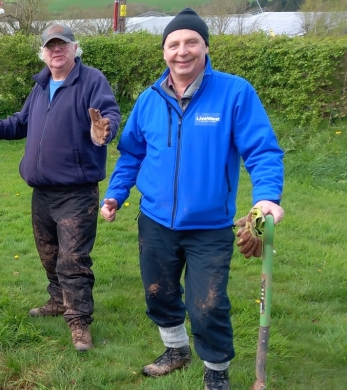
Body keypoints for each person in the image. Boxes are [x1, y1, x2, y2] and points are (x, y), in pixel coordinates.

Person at [99, 8, 284, 390]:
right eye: (173, 44)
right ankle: (176, 350)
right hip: (154, 221)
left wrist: (266, 197)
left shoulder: (234, 93)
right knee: (159, 294)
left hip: (210, 225)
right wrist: (116, 195)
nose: (182, 51)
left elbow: (262, 151)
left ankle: (216, 371)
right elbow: (132, 153)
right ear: (164, 51)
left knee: (208, 305)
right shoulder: (150, 100)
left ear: (205, 46)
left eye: (191, 42)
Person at [0, 24, 120, 351]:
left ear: (74, 48)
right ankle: (58, 301)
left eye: (62, 45)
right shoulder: (41, 87)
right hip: (42, 192)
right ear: (43, 52)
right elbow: (19, 124)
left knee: (73, 260)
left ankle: (79, 322)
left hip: (76, 192)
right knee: (49, 254)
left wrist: (103, 131)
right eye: (50, 46)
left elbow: (108, 115)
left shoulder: (91, 81)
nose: (56, 50)